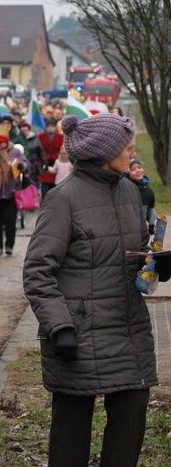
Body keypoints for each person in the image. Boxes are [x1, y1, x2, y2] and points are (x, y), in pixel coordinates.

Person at [23, 114, 165, 467]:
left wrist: (155, 263)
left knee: (131, 420)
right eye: (128, 148)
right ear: (105, 152)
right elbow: (38, 271)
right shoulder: (63, 199)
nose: (134, 154)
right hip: (77, 337)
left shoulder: (131, 191)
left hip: (126, 329)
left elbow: (133, 252)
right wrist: (60, 327)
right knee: (70, 435)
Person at [0, 127, 29, 256]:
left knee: (10, 220)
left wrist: (23, 166)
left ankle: (9, 245)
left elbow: (26, 163)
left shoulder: (15, 151)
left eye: (0, 142)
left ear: (6, 142)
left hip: (11, 192)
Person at [127, 158, 157, 234]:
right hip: (128, 231)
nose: (138, 170)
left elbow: (150, 209)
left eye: (139, 167)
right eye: (133, 169)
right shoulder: (124, 190)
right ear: (127, 173)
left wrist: (152, 223)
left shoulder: (148, 191)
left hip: (142, 232)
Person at [37, 119, 64, 201]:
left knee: (56, 184)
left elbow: (61, 149)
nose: (50, 128)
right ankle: (45, 202)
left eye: (52, 126)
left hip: (57, 162)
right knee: (45, 184)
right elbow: (39, 149)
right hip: (44, 162)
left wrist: (54, 158)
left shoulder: (60, 137)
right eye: (48, 126)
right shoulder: (41, 136)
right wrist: (47, 158)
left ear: (55, 127)